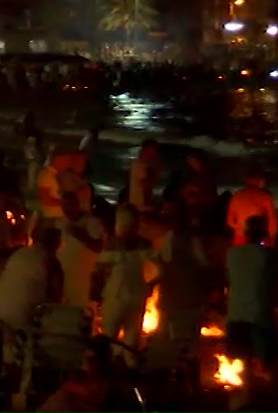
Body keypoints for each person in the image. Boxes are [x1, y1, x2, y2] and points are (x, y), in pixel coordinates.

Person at [225, 216, 278, 398]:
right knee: (270, 363)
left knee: (245, 361)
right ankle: (276, 402)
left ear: (245, 233)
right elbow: (275, 284)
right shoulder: (269, 256)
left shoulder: (232, 254)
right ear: (264, 234)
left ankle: (248, 400)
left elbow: (229, 280)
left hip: (237, 314)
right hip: (260, 315)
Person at [153, 210, 207, 389]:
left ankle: (186, 381)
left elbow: (201, 266)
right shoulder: (176, 239)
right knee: (178, 342)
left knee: (184, 342)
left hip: (183, 299)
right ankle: (179, 381)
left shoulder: (188, 240)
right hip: (177, 299)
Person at [96, 206, 154, 365]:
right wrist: (151, 285)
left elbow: (98, 270)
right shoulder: (144, 245)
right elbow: (160, 267)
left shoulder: (112, 246)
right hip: (136, 296)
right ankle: (129, 373)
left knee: (109, 339)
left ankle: (107, 373)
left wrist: (94, 295)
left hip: (116, 297)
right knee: (131, 342)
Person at [0, 224, 64, 347]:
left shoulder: (19, 253)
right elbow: (56, 298)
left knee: (6, 346)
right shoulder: (51, 261)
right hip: (23, 314)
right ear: (56, 243)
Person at [56, 191, 104, 314]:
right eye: (64, 205)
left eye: (69, 205)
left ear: (77, 205)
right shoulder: (60, 223)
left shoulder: (92, 223)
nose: (67, 209)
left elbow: (99, 247)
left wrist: (80, 235)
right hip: (65, 276)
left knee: (83, 312)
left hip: (84, 277)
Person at [226, 167, 278, 246]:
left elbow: (230, 221)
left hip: (240, 238)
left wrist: (240, 229)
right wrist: (270, 238)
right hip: (260, 238)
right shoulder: (264, 196)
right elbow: (272, 220)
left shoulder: (237, 196)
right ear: (260, 180)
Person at [128, 139, 160, 213]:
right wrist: (156, 174)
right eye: (154, 150)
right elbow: (144, 185)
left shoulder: (139, 163)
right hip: (140, 205)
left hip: (138, 203)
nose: (155, 153)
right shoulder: (140, 165)